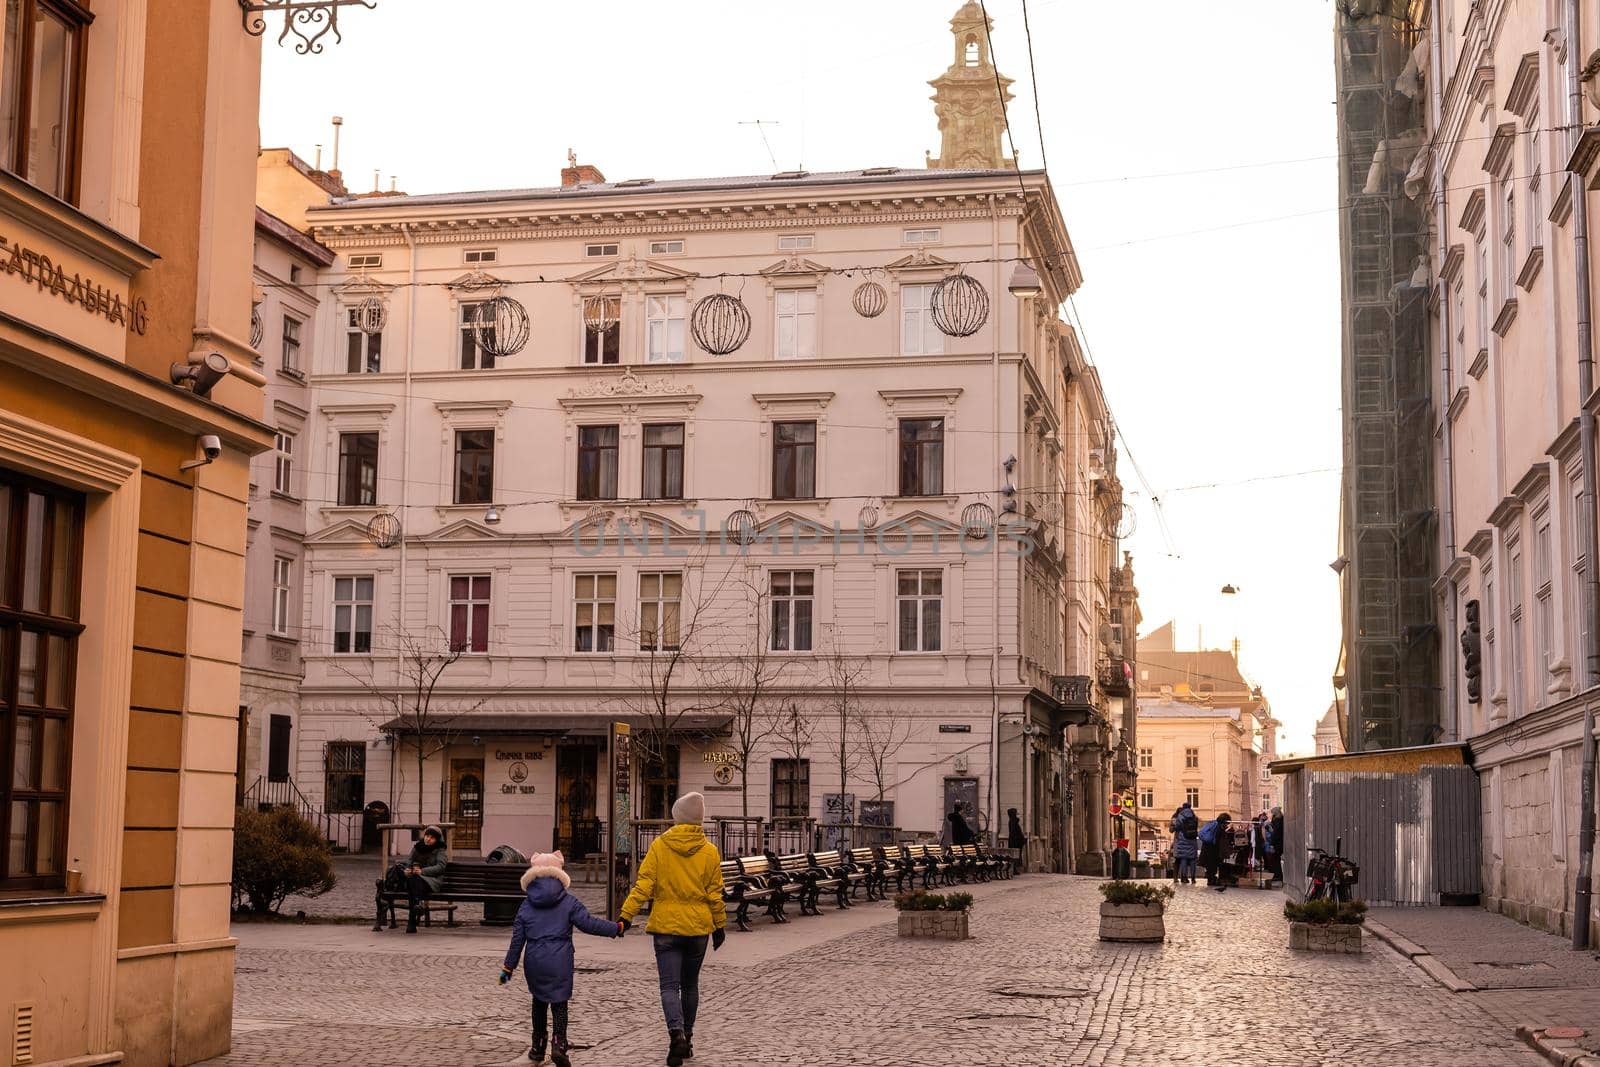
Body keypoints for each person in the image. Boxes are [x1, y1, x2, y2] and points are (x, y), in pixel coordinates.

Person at [619, 792, 725, 1067]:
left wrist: (626, 916)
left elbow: (644, 884)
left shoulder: (660, 846)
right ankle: (688, 1038)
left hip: (666, 927)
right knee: (690, 985)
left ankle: (675, 1035)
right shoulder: (710, 852)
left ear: (677, 817)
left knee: (669, 986)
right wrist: (720, 925)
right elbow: (715, 894)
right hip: (698, 929)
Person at [499, 850, 623, 1066]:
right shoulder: (568, 902)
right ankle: (559, 1043)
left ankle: (538, 1046)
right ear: (559, 874)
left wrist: (508, 969)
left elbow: (517, 941)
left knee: (538, 1002)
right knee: (559, 1004)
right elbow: (589, 924)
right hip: (560, 961)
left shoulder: (526, 905)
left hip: (534, 960)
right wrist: (616, 928)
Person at [402, 824, 447, 933]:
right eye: (427, 836)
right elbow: (409, 861)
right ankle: (417, 906)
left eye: (432, 838)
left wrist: (423, 871)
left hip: (431, 881)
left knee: (414, 882)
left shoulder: (440, 850)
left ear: (437, 840)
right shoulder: (417, 847)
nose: (428, 839)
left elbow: (441, 867)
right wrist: (407, 870)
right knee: (412, 881)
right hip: (414, 880)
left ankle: (411, 922)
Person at [1198, 812, 1232, 891]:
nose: (1227, 825)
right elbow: (1219, 839)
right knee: (1212, 865)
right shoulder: (1219, 827)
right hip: (1213, 849)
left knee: (1209, 866)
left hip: (1207, 847)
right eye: (1227, 823)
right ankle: (1211, 880)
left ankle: (1211, 879)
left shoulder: (1213, 824)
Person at [1170, 802, 1200, 884]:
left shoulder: (1180, 816)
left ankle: (1184, 877)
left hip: (1182, 839)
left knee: (1184, 859)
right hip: (1192, 840)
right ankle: (1193, 878)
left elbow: (1174, 828)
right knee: (1193, 859)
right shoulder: (1194, 816)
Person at [1267, 806, 1285, 885]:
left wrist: (1272, 843)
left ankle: (1278, 876)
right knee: (1275, 859)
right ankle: (1278, 875)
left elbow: (1276, 833)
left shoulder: (1278, 821)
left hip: (1277, 843)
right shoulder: (1280, 820)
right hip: (1279, 843)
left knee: (1275, 859)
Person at [1006, 807, 1025, 874]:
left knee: (1016, 856)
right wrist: (1020, 839)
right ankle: (1014, 870)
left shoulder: (1014, 821)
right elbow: (1014, 833)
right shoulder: (1013, 821)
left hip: (1016, 842)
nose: (1018, 814)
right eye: (1016, 813)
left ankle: (1015, 869)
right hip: (1015, 842)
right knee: (1015, 857)